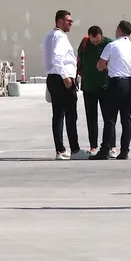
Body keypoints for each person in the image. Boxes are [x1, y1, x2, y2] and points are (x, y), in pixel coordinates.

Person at [95, 20, 131, 160]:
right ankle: (124, 151)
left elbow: (100, 65)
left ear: (119, 30)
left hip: (115, 83)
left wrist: (108, 67)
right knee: (126, 119)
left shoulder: (112, 45)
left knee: (110, 119)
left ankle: (105, 150)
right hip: (129, 83)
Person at [42, 10, 83, 160]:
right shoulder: (60, 37)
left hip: (53, 78)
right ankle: (75, 149)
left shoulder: (49, 36)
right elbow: (57, 58)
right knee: (71, 115)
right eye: (68, 21)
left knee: (58, 115)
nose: (71, 23)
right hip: (62, 78)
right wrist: (66, 77)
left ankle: (60, 149)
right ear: (59, 21)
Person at [79, 26, 109, 156]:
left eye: (98, 41)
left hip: (105, 87)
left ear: (101, 36)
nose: (96, 43)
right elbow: (79, 60)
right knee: (91, 118)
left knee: (108, 118)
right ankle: (93, 146)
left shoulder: (109, 44)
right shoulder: (85, 43)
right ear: (89, 36)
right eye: (93, 41)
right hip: (88, 86)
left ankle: (110, 145)